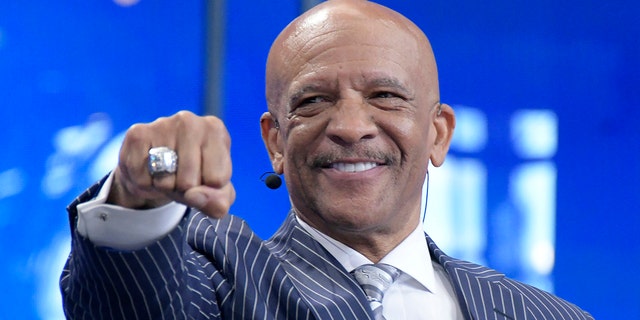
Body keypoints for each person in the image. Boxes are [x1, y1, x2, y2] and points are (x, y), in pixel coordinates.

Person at [60, 0, 593, 319]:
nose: (350, 127)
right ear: (275, 142)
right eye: (313, 102)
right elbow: (129, 300)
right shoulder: (219, 279)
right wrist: (138, 192)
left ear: (437, 133)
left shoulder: (544, 313)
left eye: (385, 96)